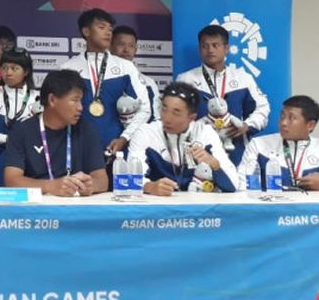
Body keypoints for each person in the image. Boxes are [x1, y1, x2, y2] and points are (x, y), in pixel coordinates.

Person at [4, 69, 108, 197]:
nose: (80, 107)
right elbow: (11, 180)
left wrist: (91, 185)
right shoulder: (22, 131)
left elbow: (102, 180)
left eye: (80, 101)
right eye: (74, 100)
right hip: (36, 208)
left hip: (75, 206)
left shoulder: (86, 129)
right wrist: (51, 186)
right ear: (52, 100)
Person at [176, 25, 270, 165]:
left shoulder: (243, 78)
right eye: (204, 46)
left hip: (235, 150)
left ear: (226, 48)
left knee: (236, 186)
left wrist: (246, 126)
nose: (210, 50)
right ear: (199, 49)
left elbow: (262, 109)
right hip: (197, 151)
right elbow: (174, 115)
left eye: (215, 45)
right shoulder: (185, 80)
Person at [60, 9, 150, 155]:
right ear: (86, 32)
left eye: (110, 29)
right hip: (77, 149)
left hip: (118, 150)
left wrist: (124, 138)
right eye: (101, 27)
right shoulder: (67, 68)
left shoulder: (126, 68)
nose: (108, 33)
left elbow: (145, 109)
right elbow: (57, 110)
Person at [128, 82, 238, 195]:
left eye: (176, 113)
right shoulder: (145, 133)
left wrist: (214, 164)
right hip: (157, 207)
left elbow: (233, 185)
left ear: (192, 117)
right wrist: (149, 187)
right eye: (164, 109)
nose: (167, 118)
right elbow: (129, 178)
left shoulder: (205, 132)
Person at [0, 48, 40, 186]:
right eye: (4, 68)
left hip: (31, 164)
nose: (8, 72)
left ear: (26, 71)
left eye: (14, 68)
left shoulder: (38, 99)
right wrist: (3, 139)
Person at [238, 95, 319, 191]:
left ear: (310, 125)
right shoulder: (259, 145)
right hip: (268, 205)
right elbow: (241, 184)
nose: (283, 122)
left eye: (291, 118)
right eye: (282, 116)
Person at [110, 25, 161, 122]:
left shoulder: (149, 83)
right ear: (110, 46)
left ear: (136, 50)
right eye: (121, 44)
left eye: (131, 46)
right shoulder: (101, 80)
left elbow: (156, 118)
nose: (126, 50)